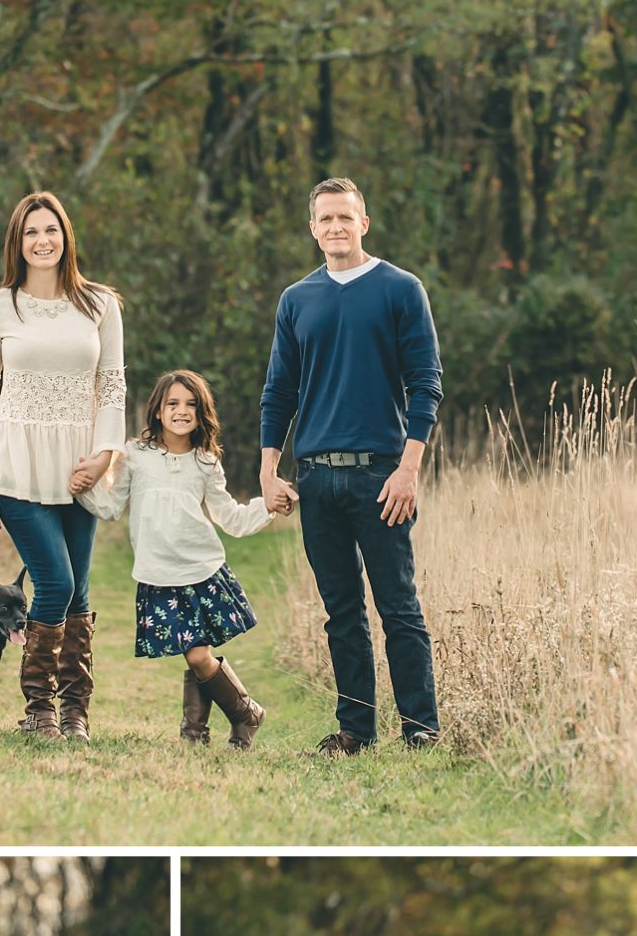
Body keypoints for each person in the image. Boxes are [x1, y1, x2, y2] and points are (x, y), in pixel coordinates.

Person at [258, 177, 443, 755]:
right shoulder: (297, 300)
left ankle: (421, 730)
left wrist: (408, 469)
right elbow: (277, 392)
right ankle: (356, 731)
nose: (335, 227)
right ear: (312, 229)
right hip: (316, 477)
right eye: (325, 220)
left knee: (398, 608)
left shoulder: (400, 289)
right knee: (341, 613)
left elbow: (426, 385)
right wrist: (268, 471)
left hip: (381, 476)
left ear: (364, 223)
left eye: (345, 217)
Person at [0, 191, 127, 740]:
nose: (43, 240)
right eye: (32, 231)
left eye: (51, 230)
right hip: (16, 467)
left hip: (79, 467)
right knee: (54, 581)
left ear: (66, 237)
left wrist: (104, 458)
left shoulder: (100, 304)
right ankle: (39, 710)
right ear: (18, 241)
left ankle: (75, 712)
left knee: (79, 590)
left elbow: (112, 388)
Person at [74, 369, 293, 747]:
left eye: (191, 404)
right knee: (196, 652)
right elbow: (110, 508)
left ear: (201, 412)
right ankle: (211, 727)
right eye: (172, 403)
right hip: (159, 573)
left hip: (202, 569)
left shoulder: (205, 462)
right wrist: (82, 490)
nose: (181, 411)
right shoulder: (135, 455)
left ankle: (238, 716)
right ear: (157, 411)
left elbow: (231, 518)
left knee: (196, 654)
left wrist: (268, 506)